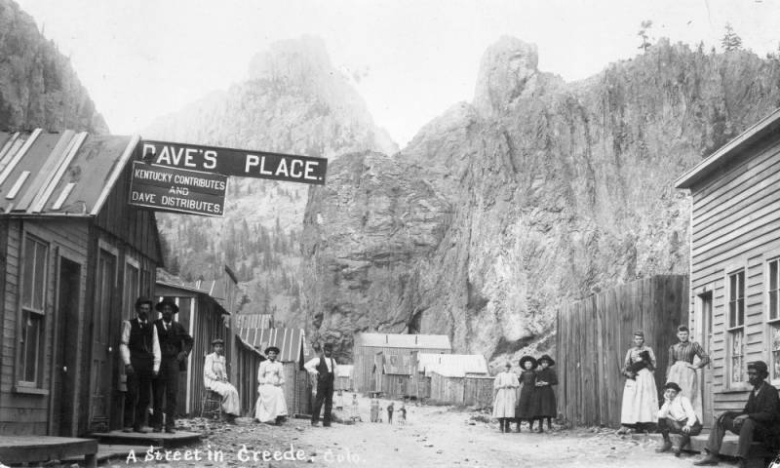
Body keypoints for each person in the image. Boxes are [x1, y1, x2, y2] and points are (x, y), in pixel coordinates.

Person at [694, 361, 780, 468]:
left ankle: (741, 460)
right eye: (749, 374)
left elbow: (769, 415)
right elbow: (746, 412)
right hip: (752, 429)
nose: (751, 377)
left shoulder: (770, 391)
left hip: (767, 433)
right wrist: (730, 413)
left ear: (763, 375)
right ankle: (712, 454)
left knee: (748, 422)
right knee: (724, 419)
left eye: (754, 374)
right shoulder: (754, 391)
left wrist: (747, 416)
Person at [152, 299, 193, 433]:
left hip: (173, 363)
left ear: (173, 312)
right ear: (161, 311)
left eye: (169, 309)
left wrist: (184, 353)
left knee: (172, 393)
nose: (167, 311)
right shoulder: (155, 325)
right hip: (159, 362)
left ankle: (170, 424)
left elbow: (189, 340)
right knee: (158, 394)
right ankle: (157, 424)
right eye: (165, 309)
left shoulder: (178, 327)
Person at [120, 297, 161, 433]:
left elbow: (156, 347)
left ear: (150, 311)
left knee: (145, 396)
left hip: (147, 364)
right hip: (134, 363)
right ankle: (127, 424)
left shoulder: (152, 327)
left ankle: (139, 424)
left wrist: (155, 367)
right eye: (142, 309)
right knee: (131, 393)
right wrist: (127, 363)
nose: (144, 311)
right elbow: (123, 344)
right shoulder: (129, 324)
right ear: (137, 309)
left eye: (147, 309)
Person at [666, 325, 709, 421]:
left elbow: (706, 358)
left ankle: (690, 420)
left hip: (688, 374)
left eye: (685, 334)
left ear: (688, 334)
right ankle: (676, 420)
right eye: (681, 334)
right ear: (677, 335)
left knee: (688, 396)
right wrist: (668, 377)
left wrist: (695, 366)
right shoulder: (673, 347)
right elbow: (670, 364)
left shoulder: (694, 345)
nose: (683, 336)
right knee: (674, 395)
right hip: (675, 374)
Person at [618, 331, 659, 434]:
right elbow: (626, 366)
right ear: (634, 340)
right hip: (635, 377)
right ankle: (633, 425)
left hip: (646, 377)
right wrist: (628, 373)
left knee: (646, 400)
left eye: (640, 339)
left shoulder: (648, 350)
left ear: (643, 340)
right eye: (636, 339)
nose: (638, 341)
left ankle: (648, 425)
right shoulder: (630, 351)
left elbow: (654, 365)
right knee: (633, 400)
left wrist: (645, 361)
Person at [655, 381, 702, 457]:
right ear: (665, 392)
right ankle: (667, 443)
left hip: (692, 424)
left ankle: (679, 448)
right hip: (679, 423)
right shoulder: (667, 402)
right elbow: (661, 415)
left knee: (686, 431)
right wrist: (667, 402)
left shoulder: (683, 400)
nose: (670, 394)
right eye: (668, 391)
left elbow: (691, 414)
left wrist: (688, 425)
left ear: (677, 393)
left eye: (673, 392)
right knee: (661, 420)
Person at [203, 338, 240, 421]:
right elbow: (208, 372)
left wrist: (225, 378)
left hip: (221, 381)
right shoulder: (210, 357)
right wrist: (217, 378)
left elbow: (224, 371)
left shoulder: (222, 358)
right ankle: (225, 412)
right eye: (216, 347)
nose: (219, 348)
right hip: (212, 381)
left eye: (220, 347)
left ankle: (232, 414)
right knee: (227, 391)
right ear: (213, 348)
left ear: (222, 348)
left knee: (234, 390)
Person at [305, 343, 337, 427]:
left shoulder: (333, 360)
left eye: (329, 351)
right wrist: (315, 372)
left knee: (329, 403)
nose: (328, 352)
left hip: (330, 383)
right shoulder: (318, 359)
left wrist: (334, 379)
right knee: (319, 402)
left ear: (331, 351)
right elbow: (307, 366)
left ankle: (326, 422)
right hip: (322, 383)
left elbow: (336, 371)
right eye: (326, 350)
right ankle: (314, 421)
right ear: (324, 350)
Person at [255, 345, 288, 424]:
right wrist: (266, 381)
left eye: (274, 353)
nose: (272, 355)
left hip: (275, 385)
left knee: (278, 392)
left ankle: (279, 416)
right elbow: (260, 378)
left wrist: (278, 382)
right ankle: (261, 417)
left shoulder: (279, 365)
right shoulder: (263, 364)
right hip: (265, 385)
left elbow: (282, 378)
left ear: (276, 355)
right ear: (268, 355)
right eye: (270, 353)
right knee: (269, 392)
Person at [533, 354, 558, 432]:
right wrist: (537, 384)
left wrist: (546, 383)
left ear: (548, 363)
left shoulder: (551, 371)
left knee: (548, 409)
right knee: (540, 409)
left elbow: (555, 381)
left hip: (547, 392)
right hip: (540, 392)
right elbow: (536, 381)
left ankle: (549, 427)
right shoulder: (539, 372)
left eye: (546, 362)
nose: (544, 364)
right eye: (543, 362)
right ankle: (540, 427)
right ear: (541, 363)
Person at [493, 361, 519, 433]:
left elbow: (517, 384)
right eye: (505, 367)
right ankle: (501, 426)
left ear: (510, 368)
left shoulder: (513, 375)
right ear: (503, 368)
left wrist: (511, 385)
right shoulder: (500, 375)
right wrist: (502, 386)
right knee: (501, 409)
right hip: (502, 393)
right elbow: (495, 385)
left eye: (508, 367)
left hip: (510, 393)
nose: (507, 368)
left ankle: (507, 427)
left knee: (509, 409)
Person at [515, 355, 538, 432]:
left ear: (532, 365)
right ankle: (518, 427)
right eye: (526, 364)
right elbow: (518, 382)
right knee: (521, 408)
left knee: (531, 408)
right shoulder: (523, 373)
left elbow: (538, 381)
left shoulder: (535, 373)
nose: (528, 365)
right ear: (524, 365)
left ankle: (531, 427)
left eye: (529, 364)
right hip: (524, 391)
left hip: (532, 391)